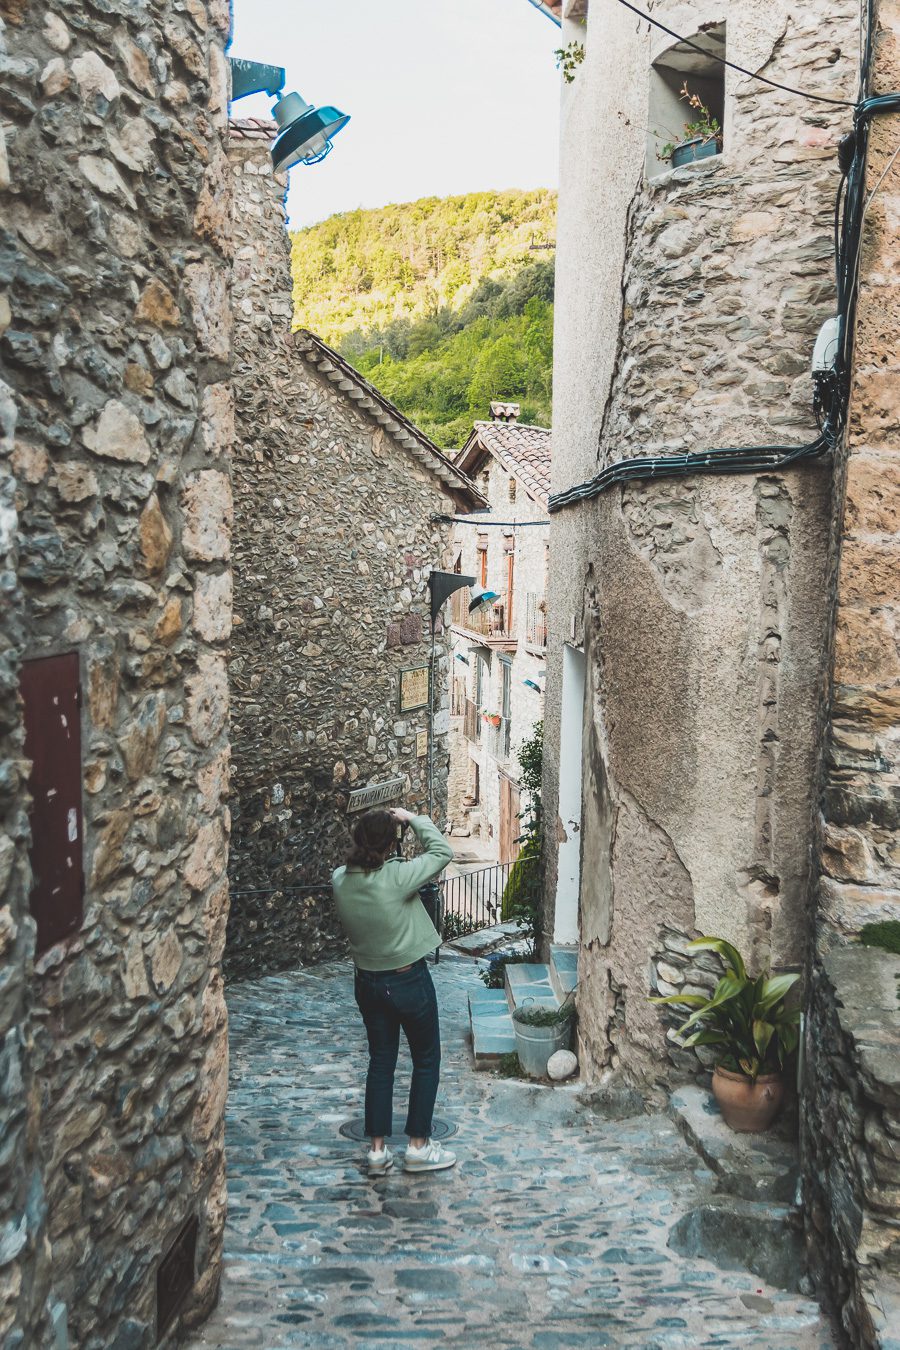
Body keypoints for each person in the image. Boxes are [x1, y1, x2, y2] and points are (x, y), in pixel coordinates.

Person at [332, 806, 457, 1178]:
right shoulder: (397, 876)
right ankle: (418, 1147)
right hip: (406, 981)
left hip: (367, 983)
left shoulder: (340, 880)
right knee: (426, 1060)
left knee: (381, 1062)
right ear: (390, 844)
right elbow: (442, 853)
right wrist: (413, 818)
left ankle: (377, 1151)